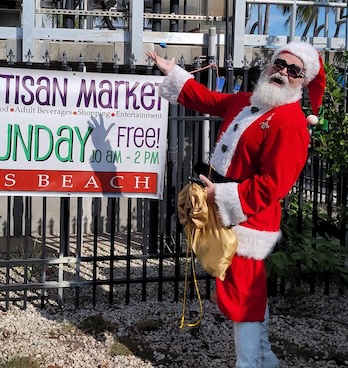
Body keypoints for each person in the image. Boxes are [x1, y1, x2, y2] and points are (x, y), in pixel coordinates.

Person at [147, 41, 326, 368]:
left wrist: (224, 197)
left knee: (244, 296)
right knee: (249, 291)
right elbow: (209, 99)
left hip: (249, 219)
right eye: (279, 64)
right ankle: (263, 358)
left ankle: (250, 363)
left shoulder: (290, 122)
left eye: (293, 70)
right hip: (228, 213)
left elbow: (275, 184)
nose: (282, 72)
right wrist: (172, 71)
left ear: (302, 80)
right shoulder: (247, 101)